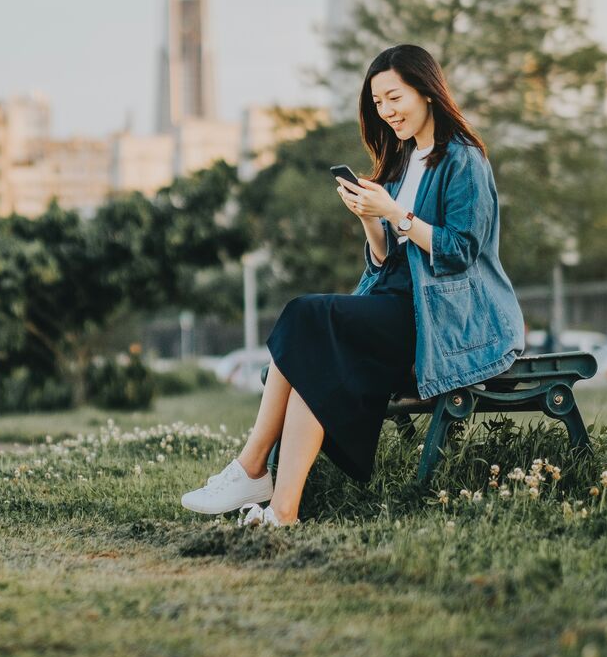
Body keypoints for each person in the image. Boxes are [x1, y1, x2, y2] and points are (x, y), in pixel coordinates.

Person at [180, 44, 525, 525]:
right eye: (378, 103)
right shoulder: (404, 161)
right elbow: (387, 260)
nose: (386, 112)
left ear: (426, 91)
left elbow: (461, 251)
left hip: (440, 316)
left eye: (394, 98)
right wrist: (370, 219)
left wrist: (394, 212)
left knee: (305, 315)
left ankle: (251, 466)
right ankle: (283, 510)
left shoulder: (463, 160)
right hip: (395, 302)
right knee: (312, 352)